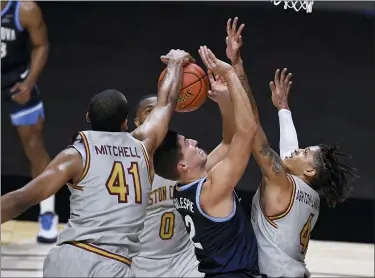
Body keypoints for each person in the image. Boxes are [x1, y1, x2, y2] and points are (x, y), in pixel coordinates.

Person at [1, 49, 194, 277]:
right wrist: (174, 65)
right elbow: (166, 104)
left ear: (87, 117)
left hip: (68, 258)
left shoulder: (75, 156)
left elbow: (21, 198)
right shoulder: (143, 145)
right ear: (125, 122)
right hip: (112, 263)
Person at [224, 17, 357, 277]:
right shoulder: (310, 197)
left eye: (305, 153)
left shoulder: (281, 181)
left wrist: (236, 66)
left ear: (308, 171)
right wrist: (283, 110)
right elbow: (288, 153)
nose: (298, 151)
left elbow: (252, 126)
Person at [153, 46, 260, 277]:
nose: (193, 141)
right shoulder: (211, 189)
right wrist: (231, 75)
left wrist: (224, 102)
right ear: (182, 166)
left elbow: (229, 142)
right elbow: (248, 131)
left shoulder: (185, 187)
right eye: (186, 144)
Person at [1, 0, 56, 243]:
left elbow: (41, 45)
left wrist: (30, 82)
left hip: (15, 79)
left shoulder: (25, 9)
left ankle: (48, 213)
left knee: (33, 144)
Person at [132, 95, 203, 277]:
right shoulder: (126, 163)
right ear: (136, 121)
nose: (156, 117)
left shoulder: (184, 156)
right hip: (141, 262)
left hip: (184, 260)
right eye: (149, 111)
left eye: (160, 111)